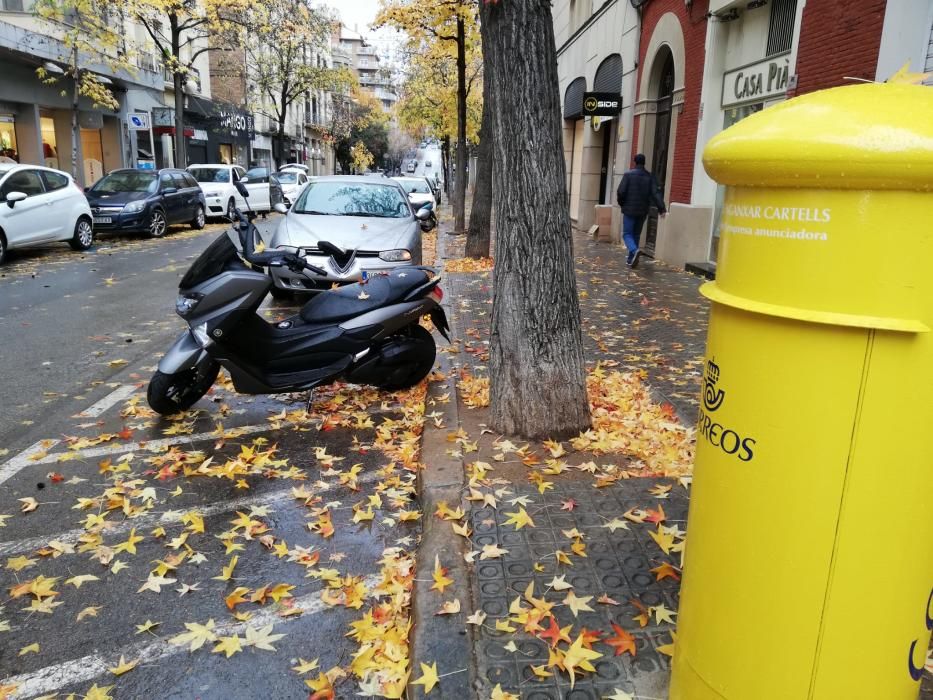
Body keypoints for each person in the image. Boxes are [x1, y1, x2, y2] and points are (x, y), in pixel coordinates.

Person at [616, 153, 666, 268]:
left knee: (627, 234)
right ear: (644, 163)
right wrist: (661, 208)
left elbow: (621, 192)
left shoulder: (628, 175)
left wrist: (622, 203)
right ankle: (631, 260)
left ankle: (634, 251)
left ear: (635, 162)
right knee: (636, 234)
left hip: (629, 210)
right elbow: (656, 193)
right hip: (643, 210)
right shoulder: (649, 177)